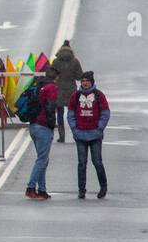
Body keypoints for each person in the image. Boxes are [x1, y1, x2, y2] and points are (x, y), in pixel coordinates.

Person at [68, 71, 110, 199]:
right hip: (80, 134)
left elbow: (105, 113)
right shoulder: (75, 96)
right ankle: (81, 189)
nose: (85, 83)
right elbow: (70, 114)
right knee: (82, 163)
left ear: (91, 81)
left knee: (97, 162)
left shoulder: (99, 95)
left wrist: (99, 128)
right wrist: (74, 129)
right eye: (83, 81)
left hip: (95, 135)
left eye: (87, 81)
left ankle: (103, 187)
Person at [25, 68, 60, 200]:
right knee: (42, 159)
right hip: (43, 126)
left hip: (33, 125)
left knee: (43, 159)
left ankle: (43, 189)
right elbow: (50, 107)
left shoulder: (39, 86)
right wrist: (52, 124)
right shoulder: (52, 88)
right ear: (56, 77)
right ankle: (31, 187)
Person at [49, 40, 84, 143]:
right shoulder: (75, 61)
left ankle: (61, 136)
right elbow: (79, 77)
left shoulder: (56, 62)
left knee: (60, 114)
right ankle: (75, 134)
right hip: (71, 90)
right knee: (73, 113)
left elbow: (51, 75)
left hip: (59, 89)